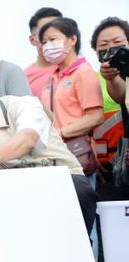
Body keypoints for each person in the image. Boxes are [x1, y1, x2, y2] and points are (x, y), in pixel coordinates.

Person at [0, 68, 97, 234]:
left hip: (56, 182)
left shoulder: (24, 105)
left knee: (77, 189)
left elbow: (28, 138)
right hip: (10, 196)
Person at [39, 17, 104, 183]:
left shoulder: (83, 72)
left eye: (52, 39)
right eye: (44, 42)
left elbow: (95, 116)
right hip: (54, 155)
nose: (47, 46)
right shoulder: (51, 78)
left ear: (72, 39)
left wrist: (60, 133)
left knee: (82, 204)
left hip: (77, 153)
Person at [90, 16, 129, 262]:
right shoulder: (109, 76)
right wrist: (111, 77)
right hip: (117, 162)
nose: (111, 48)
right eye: (104, 45)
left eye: (118, 42)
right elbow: (119, 95)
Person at [24, 7, 63, 96]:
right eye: (44, 34)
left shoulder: (78, 69)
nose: (51, 38)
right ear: (32, 40)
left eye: (57, 32)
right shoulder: (23, 79)